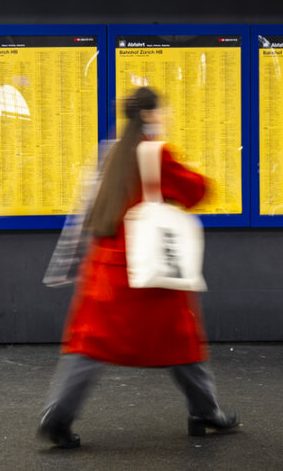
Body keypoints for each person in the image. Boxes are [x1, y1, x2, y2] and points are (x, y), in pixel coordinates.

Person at [39, 87, 238, 450]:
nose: (165, 117)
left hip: (106, 269)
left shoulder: (110, 152)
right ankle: (204, 411)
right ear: (147, 115)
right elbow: (198, 191)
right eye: (162, 111)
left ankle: (59, 415)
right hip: (147, 270)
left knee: (89, 345)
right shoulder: (154, 154)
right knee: (181, 342)